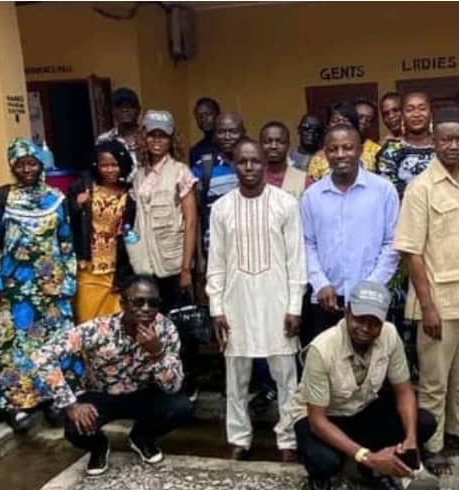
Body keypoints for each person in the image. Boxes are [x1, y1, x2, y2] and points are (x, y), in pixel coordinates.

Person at [395, 108, 459, 475]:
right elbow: (412, 251)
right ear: (434, 142)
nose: (453, 146)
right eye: (446, 139)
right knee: (435, 382)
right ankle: (433, 444)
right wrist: (427, 307)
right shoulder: (421, 189)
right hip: (439, 302)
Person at [287, 281, 437, 490]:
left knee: (423, 423)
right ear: (347, 313)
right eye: (360, 319)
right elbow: (317, 421)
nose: (366, 328)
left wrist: (411, 439)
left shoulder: (390, 335)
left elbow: (404, 391)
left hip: (361, 409)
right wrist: (368, 457)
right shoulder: (322, 349)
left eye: (374, 322)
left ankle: (372, 466)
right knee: (324, 462)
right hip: (323, 418)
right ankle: (359, 462)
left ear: (383, 321)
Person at [34, 275, 193, 476]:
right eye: (138, 302)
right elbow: (43, 355)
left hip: (143, 394)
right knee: (74, 427)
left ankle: (141, 437)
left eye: (153, 303)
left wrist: (157, 353)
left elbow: (173, 387)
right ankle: (98, 445)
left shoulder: (166, 329)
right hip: (101, 394)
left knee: (181, 407)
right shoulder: (99, 329)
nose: (146, 309)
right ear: (123, 304)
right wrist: (70, 404)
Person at [207, 139, 306, 462]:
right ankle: (238, 438)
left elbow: (296, 260)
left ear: (265, 163)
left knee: (286, 376)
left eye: (255, 161)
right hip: (235, 304)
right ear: (233, 164)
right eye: (242, 161)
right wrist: (216, 308)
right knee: (236, 377)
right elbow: (216, 263)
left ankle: (288, 438)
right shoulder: (222, 208)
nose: (249, 167)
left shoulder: (285, 204)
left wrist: (294, 306)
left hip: (277, 303)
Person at [0, 138, 77, 431]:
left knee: (54, 342)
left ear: (41, 165)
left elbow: (66, 242)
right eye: (20, 164)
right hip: (15, 287)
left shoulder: (56, 198)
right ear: (12, 167)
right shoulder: (2, 197)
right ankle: (19, 405)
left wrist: (69, 279)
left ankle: (55, 399)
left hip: (52, 286)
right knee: (17, 346)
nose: (27, 169)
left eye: (32, 163)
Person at [300, 124, 400, 344]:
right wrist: (320, 283)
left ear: (360, 150)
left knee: (372, 359)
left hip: (371, 297)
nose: (340, 154)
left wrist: (370, 287)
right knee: (326, 358)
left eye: (347, 147)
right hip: (327, 299)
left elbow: (392, 243)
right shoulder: (312, 196)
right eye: (333, 149)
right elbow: (307, 243)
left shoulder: (383, 191)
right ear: (325, 153)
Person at [128, 110, 200, 398]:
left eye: (163, 136)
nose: (157, 141)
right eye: (152, 135)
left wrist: (186, 269)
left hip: (173, 264)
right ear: (143, 137)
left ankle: (188, 381)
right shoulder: (138, 174)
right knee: (150, 324)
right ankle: (159, 380)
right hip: (145, 266)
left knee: (180, 324)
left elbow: (191, 221)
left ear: (171, 139)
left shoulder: (180, 172)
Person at [69, 139, 136, 324]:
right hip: (89, 270)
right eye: (104, 165)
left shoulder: (130, 194)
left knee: (116, 323)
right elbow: (67, 221)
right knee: (87, 322)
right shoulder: (84, 188)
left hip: (117, 271)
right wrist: (77, 205)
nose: (109, 170)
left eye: (114, 165)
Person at [192, 111, 244, 254]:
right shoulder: (203, 166)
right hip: (216, 248)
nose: (227, 137)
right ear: (214, 135)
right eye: (221, 132)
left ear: (242, 133)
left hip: (249, 245)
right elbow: (196, 215)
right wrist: (199, 259)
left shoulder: (254, 162)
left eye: (233, 132)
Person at [376, 92, 436, 194]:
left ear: (431, 113)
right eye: (409, 110)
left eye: (422, 109)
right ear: (402, 115)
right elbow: (387, 189)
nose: (416, 114)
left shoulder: (443, 145)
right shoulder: (391, 150)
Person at [307, 102, 381, 181]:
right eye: (335, 120)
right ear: (328, 126)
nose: (340, 124)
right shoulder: (318, 158)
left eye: (345, 121)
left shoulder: (375, 150)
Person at [96, 87, 142, 183]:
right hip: (117, 190)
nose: (124, 110)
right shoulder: (104, 140)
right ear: (112, 111)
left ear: (138, 110)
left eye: (130, 106)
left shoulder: (148, 138)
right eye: (119, 106)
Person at [260, 121, 311, 199]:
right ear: (260, 145)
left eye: (280, 142)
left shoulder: (304, 180)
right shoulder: (251, 178)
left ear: (288, 145)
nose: (274, 146)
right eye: (268, 141)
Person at [189, 97, 221, 168]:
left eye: (208, 114)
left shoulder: (231, 144)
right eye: (199, 116)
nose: (203, 119)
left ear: (218, 115)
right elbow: (206, 173)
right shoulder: (196, 150)